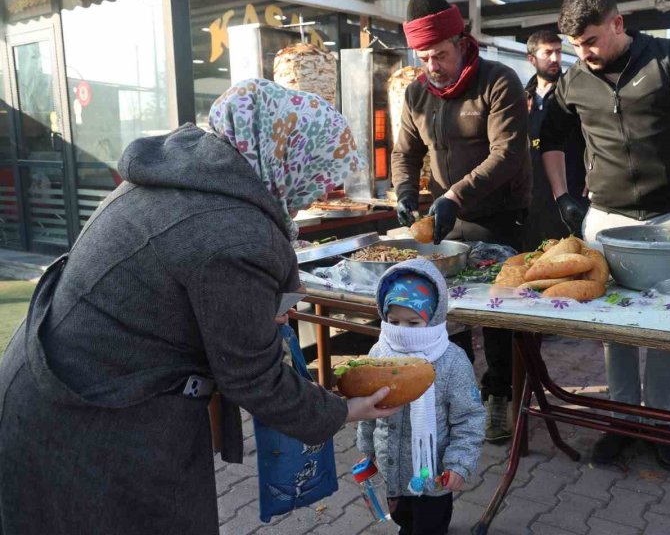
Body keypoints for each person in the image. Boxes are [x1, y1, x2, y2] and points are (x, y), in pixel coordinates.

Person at [0, 79, 398, 535]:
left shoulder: (187, 174)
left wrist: (252, 312)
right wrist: (342, 411)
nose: (326, 187)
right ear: (286, 155)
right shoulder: (236, 233)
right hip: (87, 417)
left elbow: (171, 287)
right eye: (322, 169)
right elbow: (252, 377)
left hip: (56, 383)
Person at [539, 0, 670, 473]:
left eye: (591, 41)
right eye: (575, 46)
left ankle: (659, 422)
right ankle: (622, 420)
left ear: (617, 23)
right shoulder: (575, 79)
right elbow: (553, 137)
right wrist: (562, 194)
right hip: (606, 216)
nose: (583, 54)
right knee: (614, 324)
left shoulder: (667, 58)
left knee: (669, 323)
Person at [392, 0, 532, 443]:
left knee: (495, 315)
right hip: (445, 219)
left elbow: (508, 153)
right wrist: (404, 190)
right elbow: (405, 152)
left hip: (499, 214)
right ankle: (461, 391)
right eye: (424, 57)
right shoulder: (416, 94)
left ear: (461, 41)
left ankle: (500, 396)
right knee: (443, 309)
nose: (433, 65)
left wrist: (454, 194)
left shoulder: (498, 80)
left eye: (440, 54)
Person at [357, 259, 485, 535]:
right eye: (394, 321)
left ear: (433, 317)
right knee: (403, 517)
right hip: (391, 464)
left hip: (434, 474)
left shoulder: (451, 361)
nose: (402, 330)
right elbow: (367, 407)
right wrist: (367, 447)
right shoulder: (380, 353)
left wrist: (460, 463)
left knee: (430, 524)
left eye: (413, 322)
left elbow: (469, 417)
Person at [522, 30, 588, 250]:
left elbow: (591, 132)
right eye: (548, 52)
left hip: (571, 185)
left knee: (571, 251)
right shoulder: (524, 96)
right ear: (531, 59)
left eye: (558, 52)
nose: (555, 59)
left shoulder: (572, 91)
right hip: (535, 191)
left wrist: (592, 169)